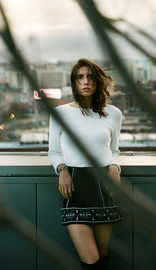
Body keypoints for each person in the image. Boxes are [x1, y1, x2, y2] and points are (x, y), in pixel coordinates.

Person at [48, 58, 123, 269]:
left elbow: (114, 150)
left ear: (98, 82)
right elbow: (53, 151)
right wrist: (62, 170)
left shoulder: (113, 113)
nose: (86, 81)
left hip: (103, 188)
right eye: (80, 77)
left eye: (90, 77)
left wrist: (115, 168)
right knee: (90, 260)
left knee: (102, 257)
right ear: (74, 83)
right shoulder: (60, 113)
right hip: (74, 188)